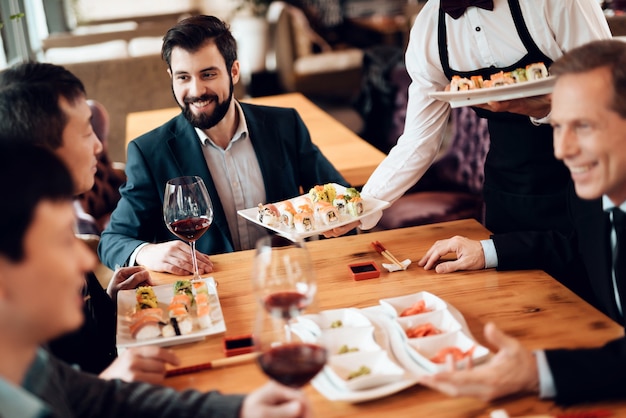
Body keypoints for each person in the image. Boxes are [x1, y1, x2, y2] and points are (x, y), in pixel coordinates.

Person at [0, 142, 311, 418]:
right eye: (60, 242)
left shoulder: (29, 361)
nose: (85, 261)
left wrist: (241, 409)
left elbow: (103, 397)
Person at [417, 39, 626, 404]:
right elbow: (582, 250)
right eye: (558, 127)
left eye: (584, 126)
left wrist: (536, 372)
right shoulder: (593, 195)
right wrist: (487, 251)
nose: (563, 150)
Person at [327, 0, 612, 237]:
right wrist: (361, 206)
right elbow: (418, 140)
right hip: (506, 189)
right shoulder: (430, 27)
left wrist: (540, 109)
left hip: (589, 176)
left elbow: (610, 95)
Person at [98, 15, 347, 275]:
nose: (196, 90)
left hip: (288, 278)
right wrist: (147, 252)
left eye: (208, 74)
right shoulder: (149, 152)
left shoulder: (285, 125)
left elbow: (337, 192)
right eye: (183, 77)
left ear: (234, 71)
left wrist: (340, 219)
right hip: (214, 294)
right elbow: (112, 240)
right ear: (171, 76)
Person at [0, 61, 177, 382]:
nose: (98, 145)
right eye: (85, 132)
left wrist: (105, 304)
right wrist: (110, 382)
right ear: (42, 155)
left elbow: (77, 348)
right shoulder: (19, 257)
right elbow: (65, 392)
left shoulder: (55, 215)